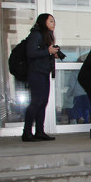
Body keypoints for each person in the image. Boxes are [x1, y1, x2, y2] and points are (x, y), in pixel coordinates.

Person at [23, 13, 61, 142]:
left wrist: (52, 54)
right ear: (43, 22)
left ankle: (39, 131)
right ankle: (27, 132)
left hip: (44, 72)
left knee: (43, 102)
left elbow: (40, 53)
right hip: (36, 73)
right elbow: (31, 52)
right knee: (36, 102)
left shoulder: (45, 36)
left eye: (54, 21)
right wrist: (47, 52)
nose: (53, 23)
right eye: (51, 21)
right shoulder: (36, 35)